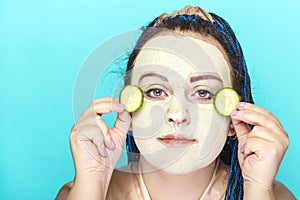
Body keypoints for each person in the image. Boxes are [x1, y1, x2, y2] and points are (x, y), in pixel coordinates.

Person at [56, 5, 296, 200]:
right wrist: (93, 182)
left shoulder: (272, 196)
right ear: (127, 112)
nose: (178, 115)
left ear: (234, 121)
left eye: (203, 93)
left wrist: (257, 190)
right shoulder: (81, 193)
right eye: (156, 91)